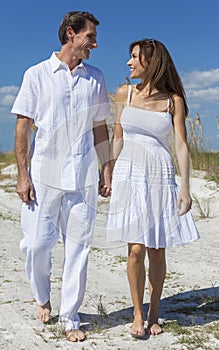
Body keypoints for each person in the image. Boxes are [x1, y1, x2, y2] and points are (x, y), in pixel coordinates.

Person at [11, 11, 111, 342]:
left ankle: (70, 317)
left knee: (78, 248)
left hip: (82, 176)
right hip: (43, 175)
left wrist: (106, 167)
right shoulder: (36, 74)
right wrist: (23, 174)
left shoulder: (95, 77)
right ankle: (42, 296)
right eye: (90, 37)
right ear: (71, 33)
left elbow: (100, 128)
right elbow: (23, 127)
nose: (95, 44)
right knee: (37, 244)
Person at [107, 38, 200, 338]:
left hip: (159, 175)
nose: (129, 62)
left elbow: (182, 146)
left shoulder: (173, 100)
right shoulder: (126, 93)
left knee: (157, 250)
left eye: (134, 57)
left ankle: (155, 312)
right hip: (130, 174)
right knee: (135, 249)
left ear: (151, 61)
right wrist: (108, 169)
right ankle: (137, 313)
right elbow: (118, 136)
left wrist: (185, 187)